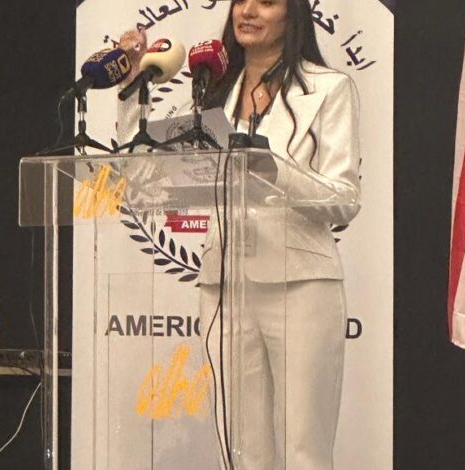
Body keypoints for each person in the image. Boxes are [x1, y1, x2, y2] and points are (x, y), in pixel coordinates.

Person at [120, 0, 360, 468]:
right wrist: (134, 90)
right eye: (241, 1)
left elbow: (344, 200)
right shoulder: (212, 92)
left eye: (266, 2)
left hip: (301, 284)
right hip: (226, 286)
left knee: (303, 450)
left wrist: (273, 170)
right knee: (240, 449)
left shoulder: (329, 88)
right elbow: (143, 175)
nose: (247, 11)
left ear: (293, 14)